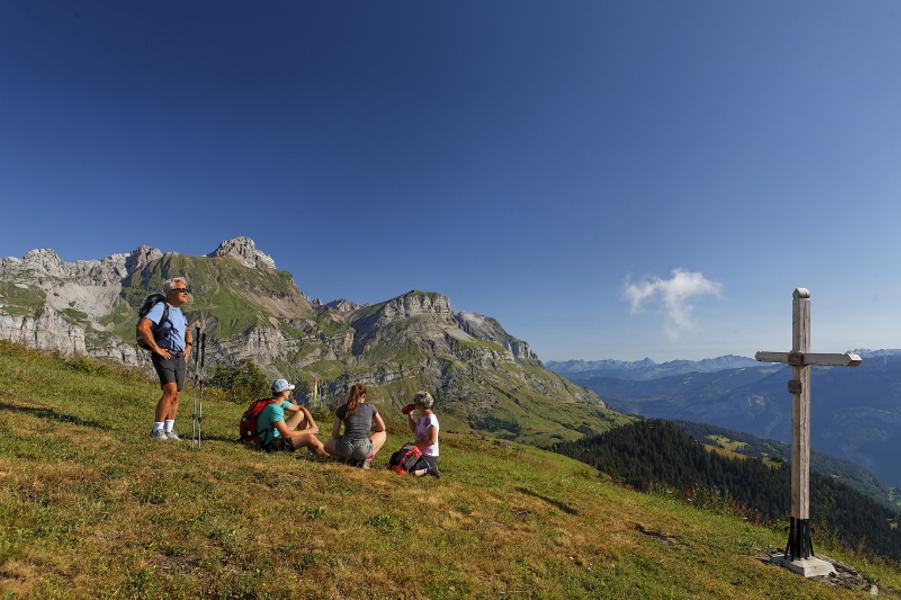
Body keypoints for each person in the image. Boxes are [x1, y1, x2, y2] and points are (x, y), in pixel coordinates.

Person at [138, 277, 192, 441]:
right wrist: (157, 349)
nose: (186, 293)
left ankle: (169, 430)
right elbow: (143, 326)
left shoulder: (180, 312)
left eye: (187, 290)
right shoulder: (161, 307)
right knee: (170, 391)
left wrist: (188, 346)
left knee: (177, 394)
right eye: (182, 290)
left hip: (179, 356)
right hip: (165, 355)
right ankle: (156, 430)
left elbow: (187, 330)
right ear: (170, 292)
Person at [256, 379, 330, 456]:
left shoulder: (278, 402)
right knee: (309, 437)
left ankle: (315, 448)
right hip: (269, 445)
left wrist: (313, 426)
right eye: (288, 390)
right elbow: (286, 434)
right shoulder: (275, 409)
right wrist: (309, 431)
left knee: (300, 414)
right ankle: (328, 457)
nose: (289, 392)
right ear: (283, 393)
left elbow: (301, 408)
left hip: (273, 436)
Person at [325, 383, 386, 468]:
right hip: (363, 450)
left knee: (326, 445)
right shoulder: (371, 407)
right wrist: (370, 428)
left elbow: (334, 435)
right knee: (383, 434)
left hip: (345, 447)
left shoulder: (342, 409)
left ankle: (346, 458)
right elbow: (382, 427)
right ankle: (367, 459)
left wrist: (343, 439)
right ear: (364, 396)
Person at [404, 391, 441, 477]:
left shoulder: (431, 419)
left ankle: (431, 468)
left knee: (412, 472)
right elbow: (415, 429)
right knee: (403, 467)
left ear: (421, 405)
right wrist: (409, 416)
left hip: (429, 455)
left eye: (416, 402)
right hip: (418, 452)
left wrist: (414, 445)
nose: (414, 404)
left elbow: (431, 441)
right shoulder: (422, 417)